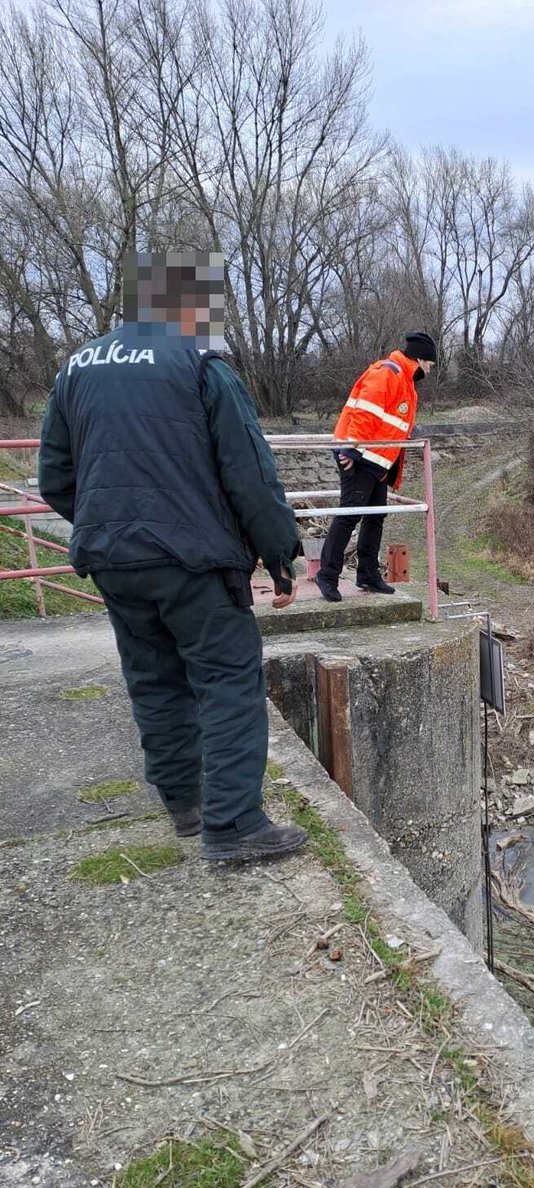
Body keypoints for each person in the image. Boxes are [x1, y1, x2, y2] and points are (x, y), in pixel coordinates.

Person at [38, 251, 308, 864]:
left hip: (111, 558)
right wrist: (280, 553)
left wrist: (106, 526)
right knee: (227, 679)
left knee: (154, 679)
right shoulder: (201, 364)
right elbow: (248, 471)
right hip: (194, 560)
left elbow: (54, 476)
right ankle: (234, 825)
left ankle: (185, 806)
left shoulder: (77, 368)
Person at [315, 331, 437, 602]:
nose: (430, 370)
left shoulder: (404, 380)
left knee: (375, 517)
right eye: (430, 364)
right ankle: (327, 575)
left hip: (379, 461)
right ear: (420, 358)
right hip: (360, 457)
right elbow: (364, 412)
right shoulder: (388, 372)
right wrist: (350, 448)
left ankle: (368, 574)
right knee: (349, 515)